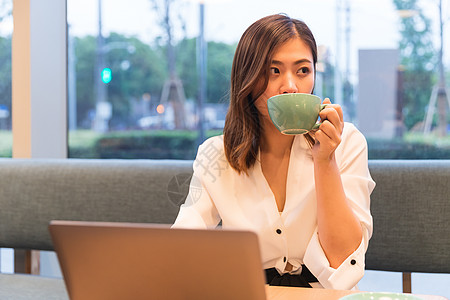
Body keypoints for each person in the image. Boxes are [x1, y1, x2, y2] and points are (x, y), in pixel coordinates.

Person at [172, 14, 375, 290]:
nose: (290, 86)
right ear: (248, 77)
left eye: (303, 70)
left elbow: (343, 260)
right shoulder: (217, 153)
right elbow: (182, 244)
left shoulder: (346, 142)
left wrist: (325, 160)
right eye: (273, 71)